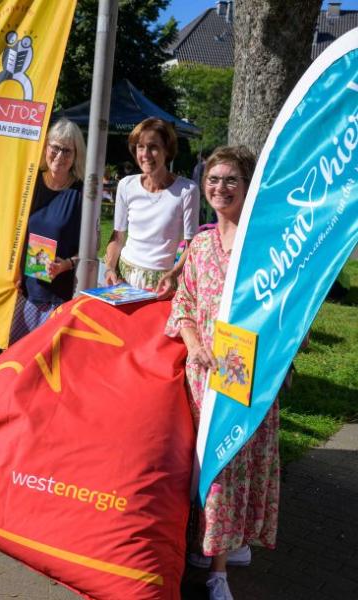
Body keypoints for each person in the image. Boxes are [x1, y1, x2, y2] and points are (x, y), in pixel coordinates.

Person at [166, 146, 279, 600]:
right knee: (205, 467)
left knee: (231, 467)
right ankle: (213, 543)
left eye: (231, 179)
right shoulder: (199, 244)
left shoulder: (265, 246)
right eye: (214, 179)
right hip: (202, 377)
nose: (221, 187)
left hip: (246, 377)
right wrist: (194, 344)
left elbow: (284, 312)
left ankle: (218, 572)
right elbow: (184, 304)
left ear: (248, 186)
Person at [9, 118, 86, 344]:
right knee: (15, 357)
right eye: (55, 147)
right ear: (46, 147)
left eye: (67, 151)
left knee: (46, 360)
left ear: (75, 155)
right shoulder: (29, 183)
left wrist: (67, 264)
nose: (60, 156)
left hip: (58, 295)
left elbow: (91, 248)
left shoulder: (80, 194)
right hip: (22, 291)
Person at [104, 118, 199, 295]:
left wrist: (174, 274)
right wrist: (109, 268)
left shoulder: (187, 190)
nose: (145, 154)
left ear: (167, 150)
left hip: (161, 284)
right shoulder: (126, 185)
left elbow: (192, 247)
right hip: (122, 279)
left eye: (153, 147)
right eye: (140, 147)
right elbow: (117, 237)